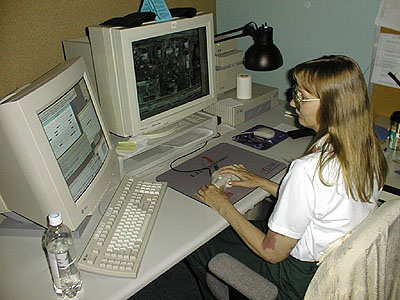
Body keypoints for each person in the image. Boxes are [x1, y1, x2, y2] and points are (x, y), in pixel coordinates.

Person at [185, 55, 388, 299]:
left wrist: (223, 205)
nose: (293, 103)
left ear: (331, 105)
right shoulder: (368, 150)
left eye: (302, 97)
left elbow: (271, 253)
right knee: (232, 229)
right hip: (328, 262)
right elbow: (323, 204)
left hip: (296, 278)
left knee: (198, 243)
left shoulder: (308, 169)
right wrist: (262, 182)